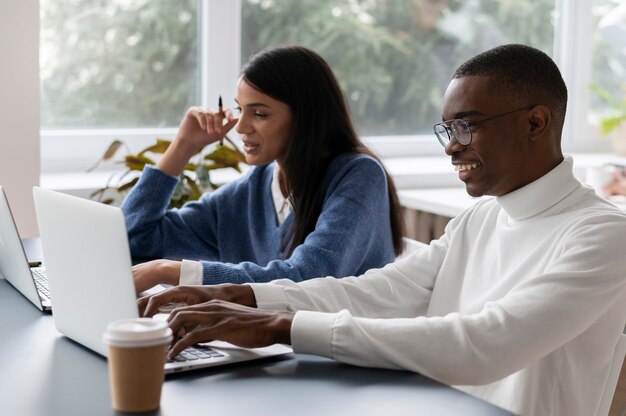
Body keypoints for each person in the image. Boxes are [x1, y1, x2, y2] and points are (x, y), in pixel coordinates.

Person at [137, 44, 626, 416]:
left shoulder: (602, 235)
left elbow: (484, 344)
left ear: (536, 123)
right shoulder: (483, 217)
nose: (451, 147)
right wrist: (247, 296)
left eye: (466, 126)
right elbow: (381, 291)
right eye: (446, 130)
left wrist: (280, 324)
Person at [121, 45, 405, 293]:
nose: (241, 127)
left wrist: (169, 271)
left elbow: (305, 279)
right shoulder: (250, 191)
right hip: (270, 347)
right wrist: (182, 146)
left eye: (259, 114)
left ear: (305, 117)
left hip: (345, 350)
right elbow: (133, 241)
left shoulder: (358, 176)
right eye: (239, 110)